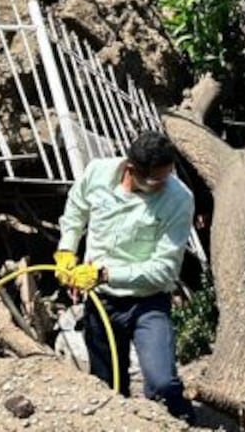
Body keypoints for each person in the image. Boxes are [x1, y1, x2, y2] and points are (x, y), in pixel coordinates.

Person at [55, 131, 196, 421]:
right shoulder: (98, 173)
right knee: (108, 386)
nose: (164, 184)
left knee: (162, 383)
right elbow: (76, 209)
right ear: (131, 169)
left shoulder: (178, 199)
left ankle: (184, 423)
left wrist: (105, 274)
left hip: (148, 302)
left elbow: (165, 269)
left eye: (168, 176)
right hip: (102, 303)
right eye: (158, 179)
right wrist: (67, 250)